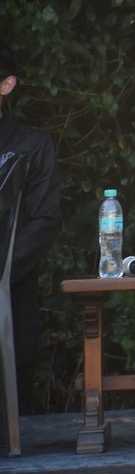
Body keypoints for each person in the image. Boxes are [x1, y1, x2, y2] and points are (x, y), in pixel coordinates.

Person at [0, 39, 62, 416]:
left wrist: (4, 270)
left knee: (15, 394)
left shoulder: (31, 145)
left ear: (6, 85)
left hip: (12, 290)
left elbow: (44, 221)